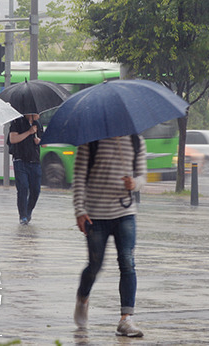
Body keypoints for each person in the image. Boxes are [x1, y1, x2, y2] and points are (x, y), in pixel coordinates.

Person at [73, 135, 146, 337]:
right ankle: (83, 296)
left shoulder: (136, 139)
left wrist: (135, 183)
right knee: (95, 264)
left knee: (127, 261)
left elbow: (142, 176)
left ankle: (126, 319)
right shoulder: (91, 140)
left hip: (125, 212)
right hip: (95, 215)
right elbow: (79, 177)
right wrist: (79, 210)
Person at [9, 113, 43, 225]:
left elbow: (44, 144)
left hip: (35, 162)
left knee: (36, 190)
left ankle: (28, 211)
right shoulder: (17, 122)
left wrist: (40, 141)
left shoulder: (38, 124)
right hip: (20, 161)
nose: (39, 114)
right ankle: (23, 216)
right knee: (23, 188)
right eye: (37, 113)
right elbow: (13, 139)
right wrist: (29, 132)